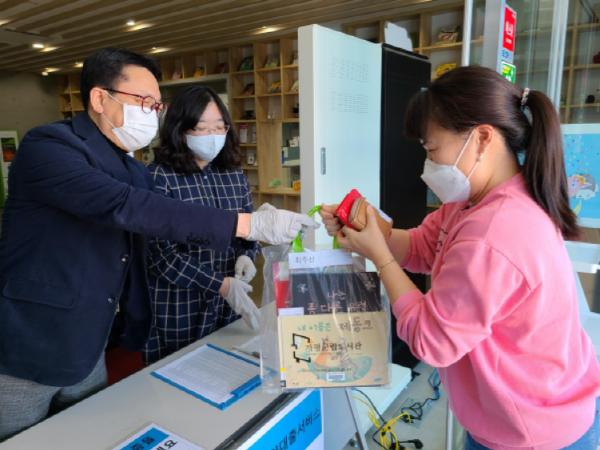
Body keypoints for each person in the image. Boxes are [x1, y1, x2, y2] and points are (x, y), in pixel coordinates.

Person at [0, 47, 316, 440]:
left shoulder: (130, 167)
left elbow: (158, 226)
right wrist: (249, 225)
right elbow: (130, 208)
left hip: (90, 338)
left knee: (91, 435)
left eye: (155, 105)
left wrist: (245, 247)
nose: (151, 113)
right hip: (28, 344)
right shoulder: (50, 147)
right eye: (143, 101)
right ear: (100, 98)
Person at [320, 66, 600, 449]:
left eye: (433, 150)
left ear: (482, 138)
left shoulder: (496, 231)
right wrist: (370, 230)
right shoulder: (474, 200)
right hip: (517, 411)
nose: (428, 165)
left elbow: (430, 339)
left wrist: (380, 256)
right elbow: (421, 247)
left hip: (533, 429)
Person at [143, 86, 260, 364]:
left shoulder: (233, 174)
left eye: (219, 127)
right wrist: (219, 284)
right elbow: (160, 256)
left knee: (229, 367)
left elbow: (250, 225)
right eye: (202, 128)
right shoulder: (159, 177)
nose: (212, 136)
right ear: (180, 129)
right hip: (180, 306)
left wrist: (248, 253)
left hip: (228, 303)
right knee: (177, 371)